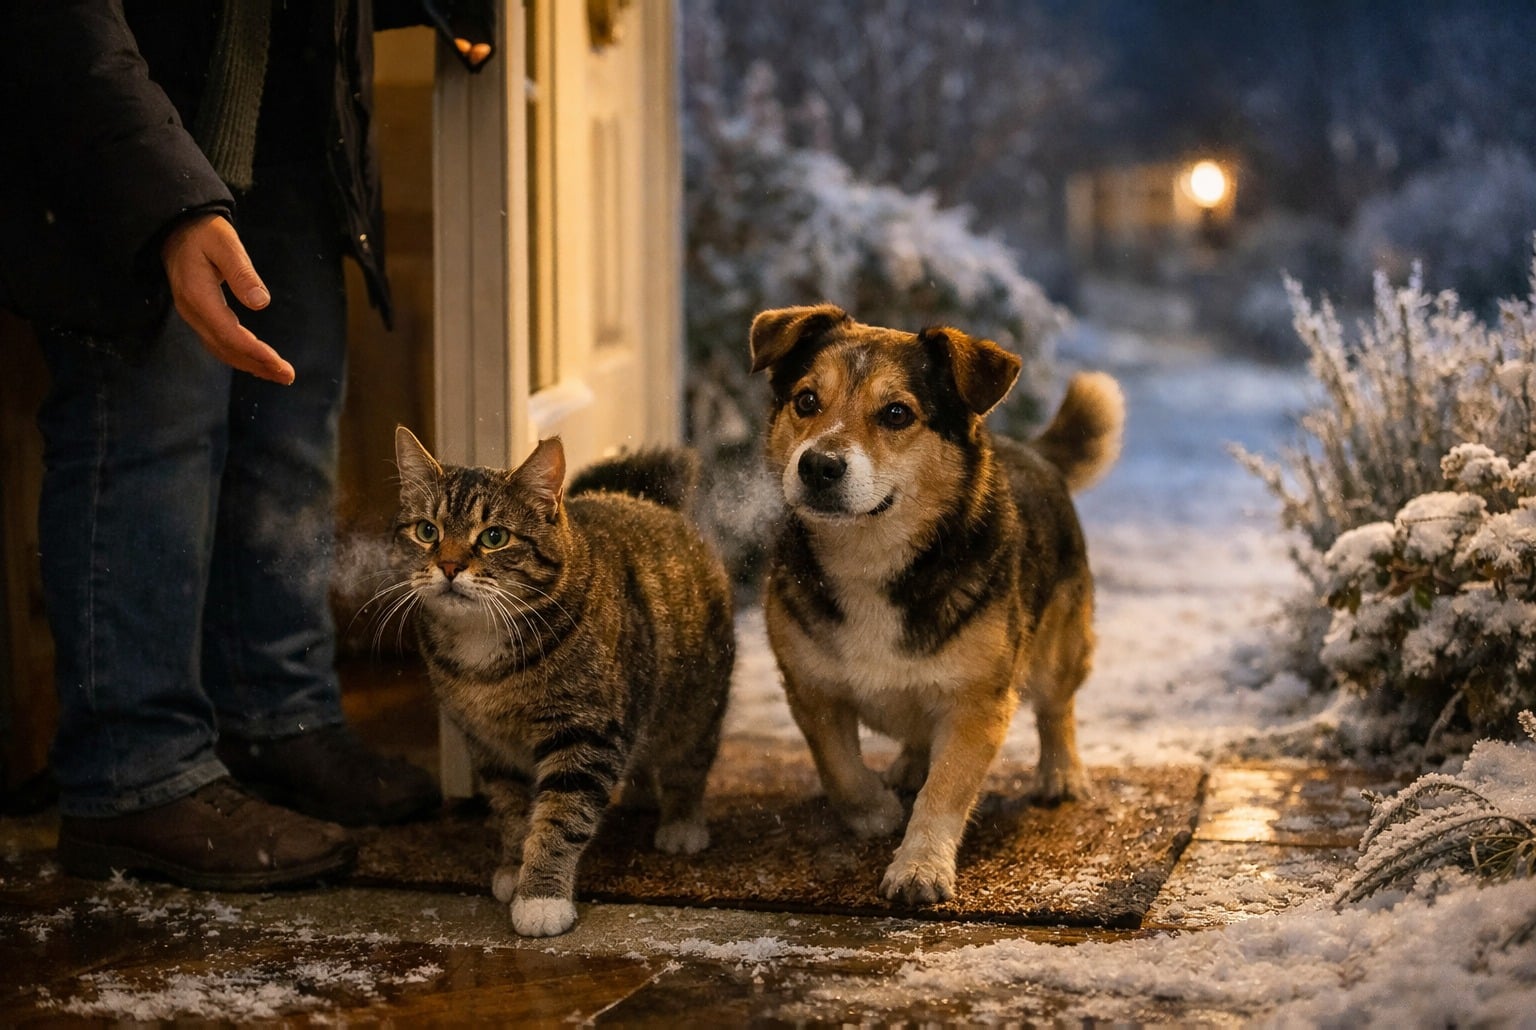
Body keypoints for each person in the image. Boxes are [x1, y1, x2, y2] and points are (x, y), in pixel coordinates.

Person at [0, 0, 493, 891]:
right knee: (154, 427)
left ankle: (278, 713)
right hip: (130, 111)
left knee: (290, 432)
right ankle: (136, 771)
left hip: (294, 115)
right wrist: (165, 196)